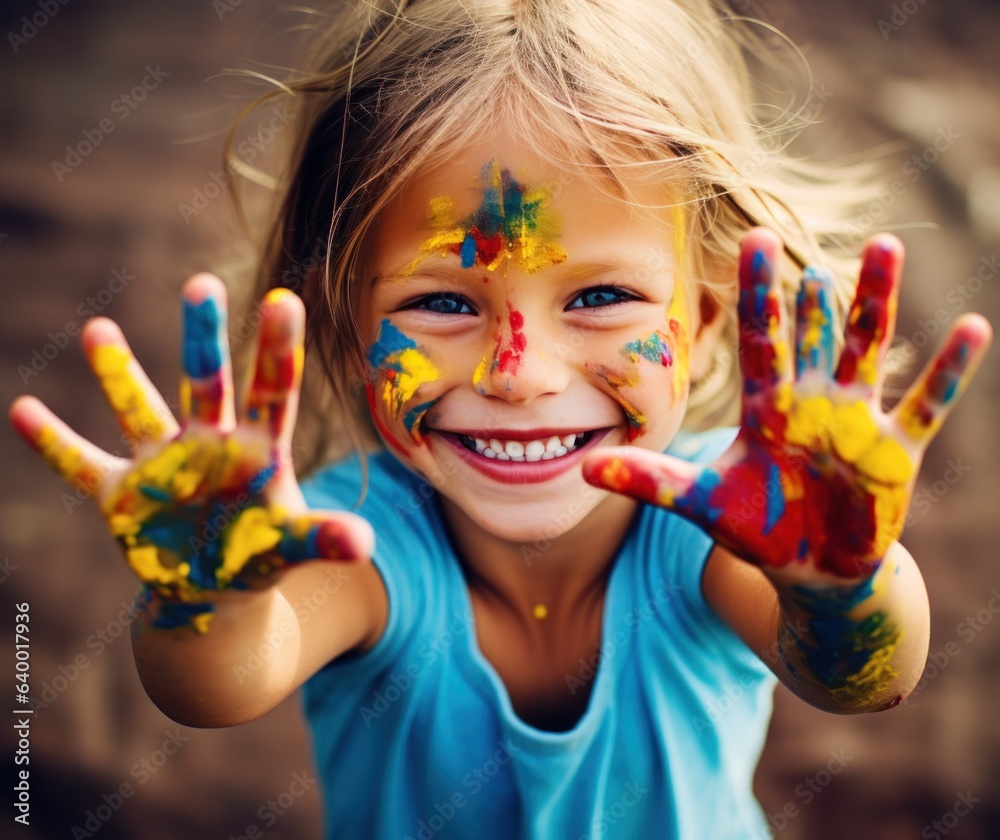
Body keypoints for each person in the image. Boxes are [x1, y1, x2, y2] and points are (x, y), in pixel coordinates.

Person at [8, 1, 993, 837]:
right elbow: (214, 687)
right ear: (348, 331)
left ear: (697, 322)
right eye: (440, 303)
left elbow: (863, 681)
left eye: (600, 296)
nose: (518, 375)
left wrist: (837, 585)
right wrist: (205, 599)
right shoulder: (348, 548)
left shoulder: (725, 534)